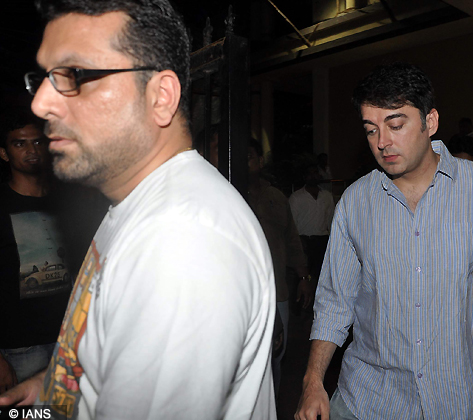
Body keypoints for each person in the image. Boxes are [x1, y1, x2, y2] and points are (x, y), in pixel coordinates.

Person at [0, 1, 276, 419]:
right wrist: (53, 386)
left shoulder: (181, 242)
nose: (41, 104)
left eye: (74, 75)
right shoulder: (139, 205)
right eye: (43, 78)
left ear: (160, 96)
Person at [295, 62, 473, 420]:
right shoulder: (355, 202)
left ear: (430, 122)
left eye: (395, 125)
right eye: (370, 130)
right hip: (367, 399)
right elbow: (335, 302)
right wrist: (312, 381)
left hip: (455, 400)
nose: (382, 142)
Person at [0, 110, 72, 391]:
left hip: (71, 338)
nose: (31, 150)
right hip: (20, 349)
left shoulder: (69, 200)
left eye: (38, 142)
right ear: (4, 154)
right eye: (19, 143)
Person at [247, 138, 310, 396]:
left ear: (260, 161)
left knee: (275, 357)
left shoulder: (276, 198)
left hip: (278, 293)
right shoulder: (228, 193)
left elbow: (292, 240)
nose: (245, 162)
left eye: (250, 156)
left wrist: (304, 275)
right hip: (243, 294)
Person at [289, 164, 335, 282]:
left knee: (322, 278)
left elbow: (330, 220)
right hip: (304, 241)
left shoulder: (327, 196)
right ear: (305, 177)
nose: (313, 176)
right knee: (305, 277)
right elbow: (291, 223)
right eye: (310, 173)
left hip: (322, 241)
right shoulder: (296, 197)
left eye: (315, 173)